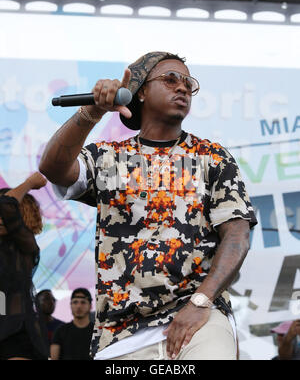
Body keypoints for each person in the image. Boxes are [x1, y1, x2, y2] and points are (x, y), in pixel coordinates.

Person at [39, 51, 257, 360]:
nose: (182, 87)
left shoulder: (212, 157)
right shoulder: (107, 157)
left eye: (188, 83)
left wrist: (200, 302)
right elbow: (53, 168)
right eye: (170, 79)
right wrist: (92, 111)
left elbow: (237, 237)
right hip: (121, 335)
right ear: (140, 91)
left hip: (197, 320)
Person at [0, 172, 49, 360]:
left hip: (17, 334)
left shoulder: (26, 246)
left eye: (5, 216)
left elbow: (6, 204)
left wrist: (29, 183)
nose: (1, 218)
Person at [50, 288, 94, 360]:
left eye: (83, 302)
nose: (79, 306)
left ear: (90, 306)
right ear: (70, 305)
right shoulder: (60, 331)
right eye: (75, 302)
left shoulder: (97, 332)